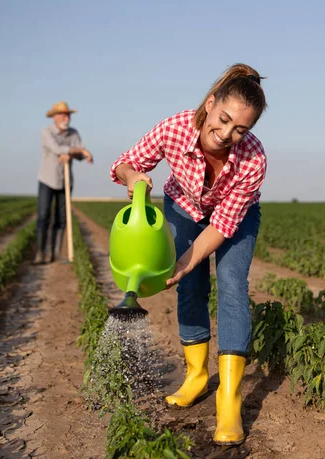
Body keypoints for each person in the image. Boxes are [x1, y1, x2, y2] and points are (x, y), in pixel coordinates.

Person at [109, 63, 267, 445]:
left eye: (240, 129)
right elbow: (125, 164)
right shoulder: (175, 128)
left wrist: (188, 258)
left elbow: (223, 225)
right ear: (210, 103)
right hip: (183, 207)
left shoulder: (253, 158)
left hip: (233, 219)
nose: (227, 134)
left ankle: (228, 398)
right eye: (223, 119)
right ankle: (197, 375)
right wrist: (135, 179)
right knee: (190, 287)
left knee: (231, 284)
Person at [35, 101, 93, 264]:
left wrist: (78, 153)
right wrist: (78, 151)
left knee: (61, 218)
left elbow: (82, 155)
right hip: (47, 179)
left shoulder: (73, 133)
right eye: (61, 114)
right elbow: (58, 149)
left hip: (65, 181)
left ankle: (56, 253)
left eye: (67, 114)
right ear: (53, 117)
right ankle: (40, 253)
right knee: (43, 216)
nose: (65, 117)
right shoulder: (46, 132)